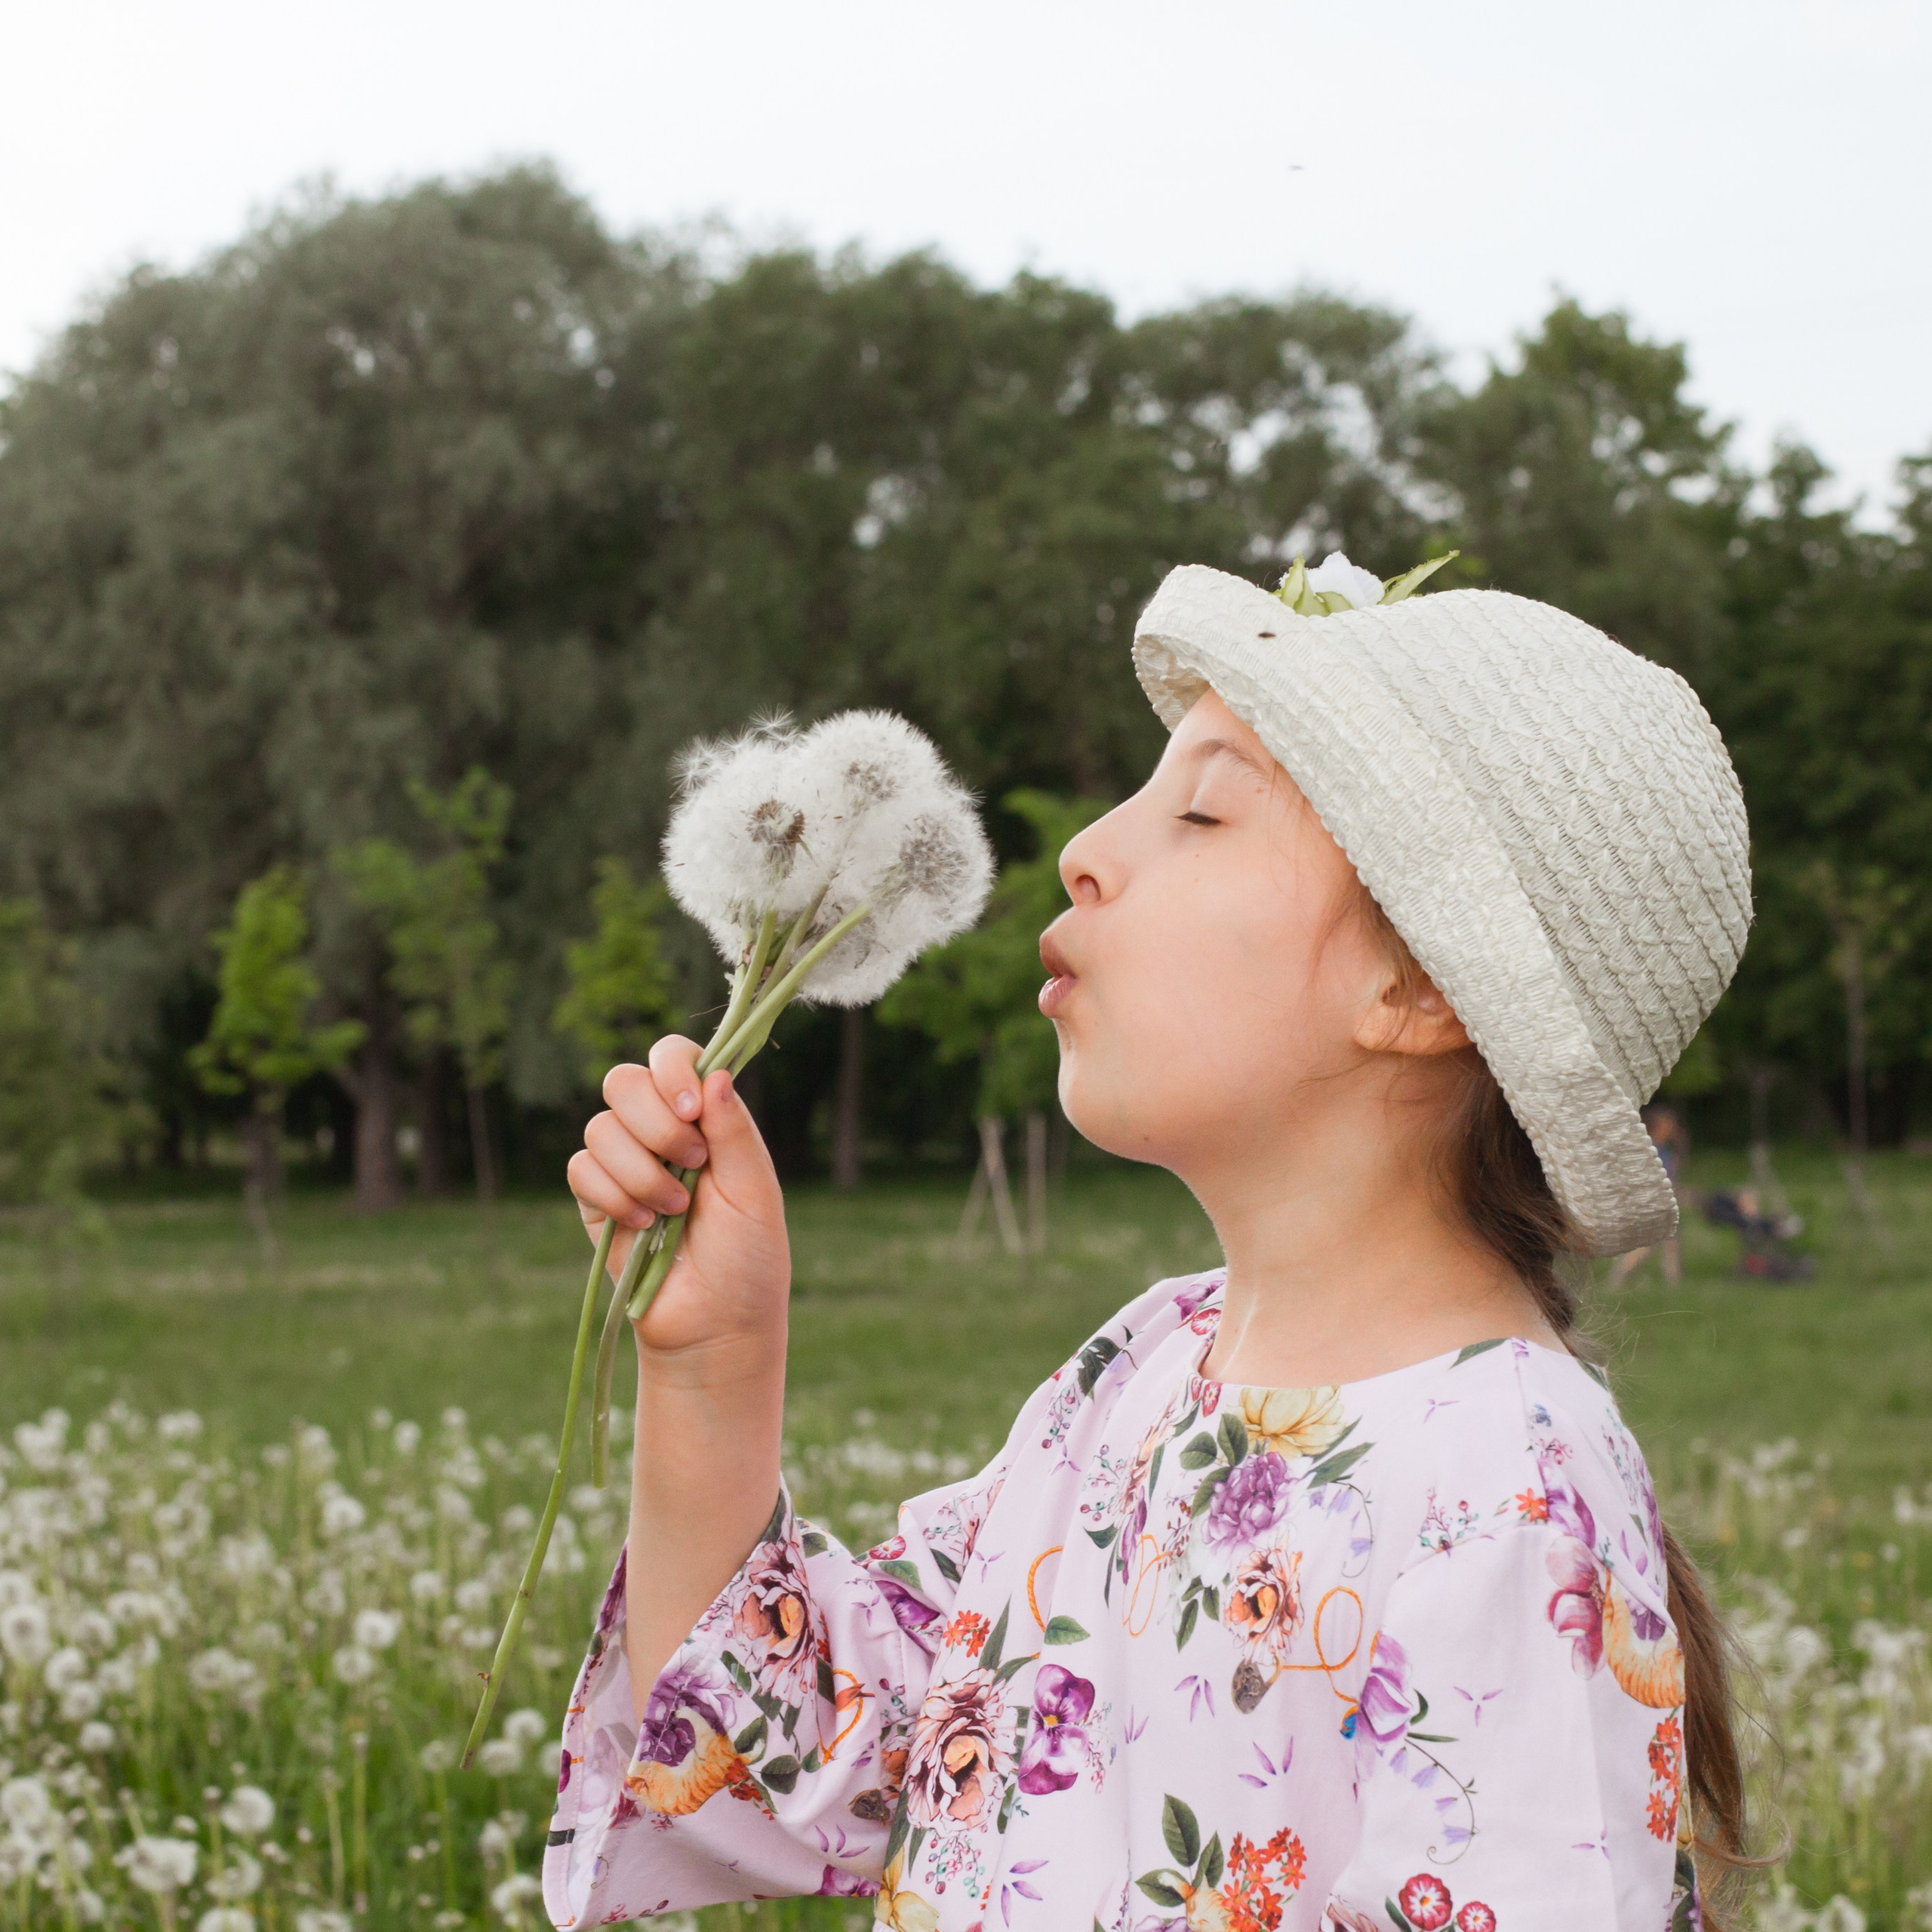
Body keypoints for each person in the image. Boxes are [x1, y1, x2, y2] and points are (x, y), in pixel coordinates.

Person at [549, 558, 1755, 1930]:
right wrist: (716, 1358)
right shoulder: (1133, 1376)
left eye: (1201, 809)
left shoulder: (1511, 1480)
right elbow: (781, 1760)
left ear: (1417, 984)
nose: (1087, 848)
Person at [1607, 1103, 1690, 1287]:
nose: (1671, 1129)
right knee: (1648, 1246)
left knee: (1671, 1243)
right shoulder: (1650, 1149)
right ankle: (1620, 1274)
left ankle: (1673, 1280)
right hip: (1652, 1203)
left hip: (1663, 1203)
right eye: (1668, 1125)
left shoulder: (1663, 1149)